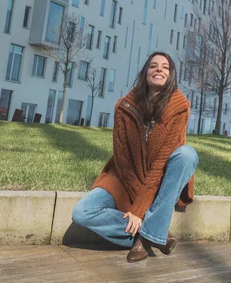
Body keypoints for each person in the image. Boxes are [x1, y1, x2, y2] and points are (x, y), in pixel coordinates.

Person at [72, 51, 198, 263]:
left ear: (171, 75)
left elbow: (159, 167)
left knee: (187, 154)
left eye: (165, 67)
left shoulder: (179, 107)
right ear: (145, 72)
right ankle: (155, 233)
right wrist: (136, 210)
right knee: (82, 213)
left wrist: (139, 210)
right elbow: (123, 160)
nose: (159, 69)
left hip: (160, 180)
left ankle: (146, 236)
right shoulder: (124, 107)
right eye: (153, 66)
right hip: (122, 177)